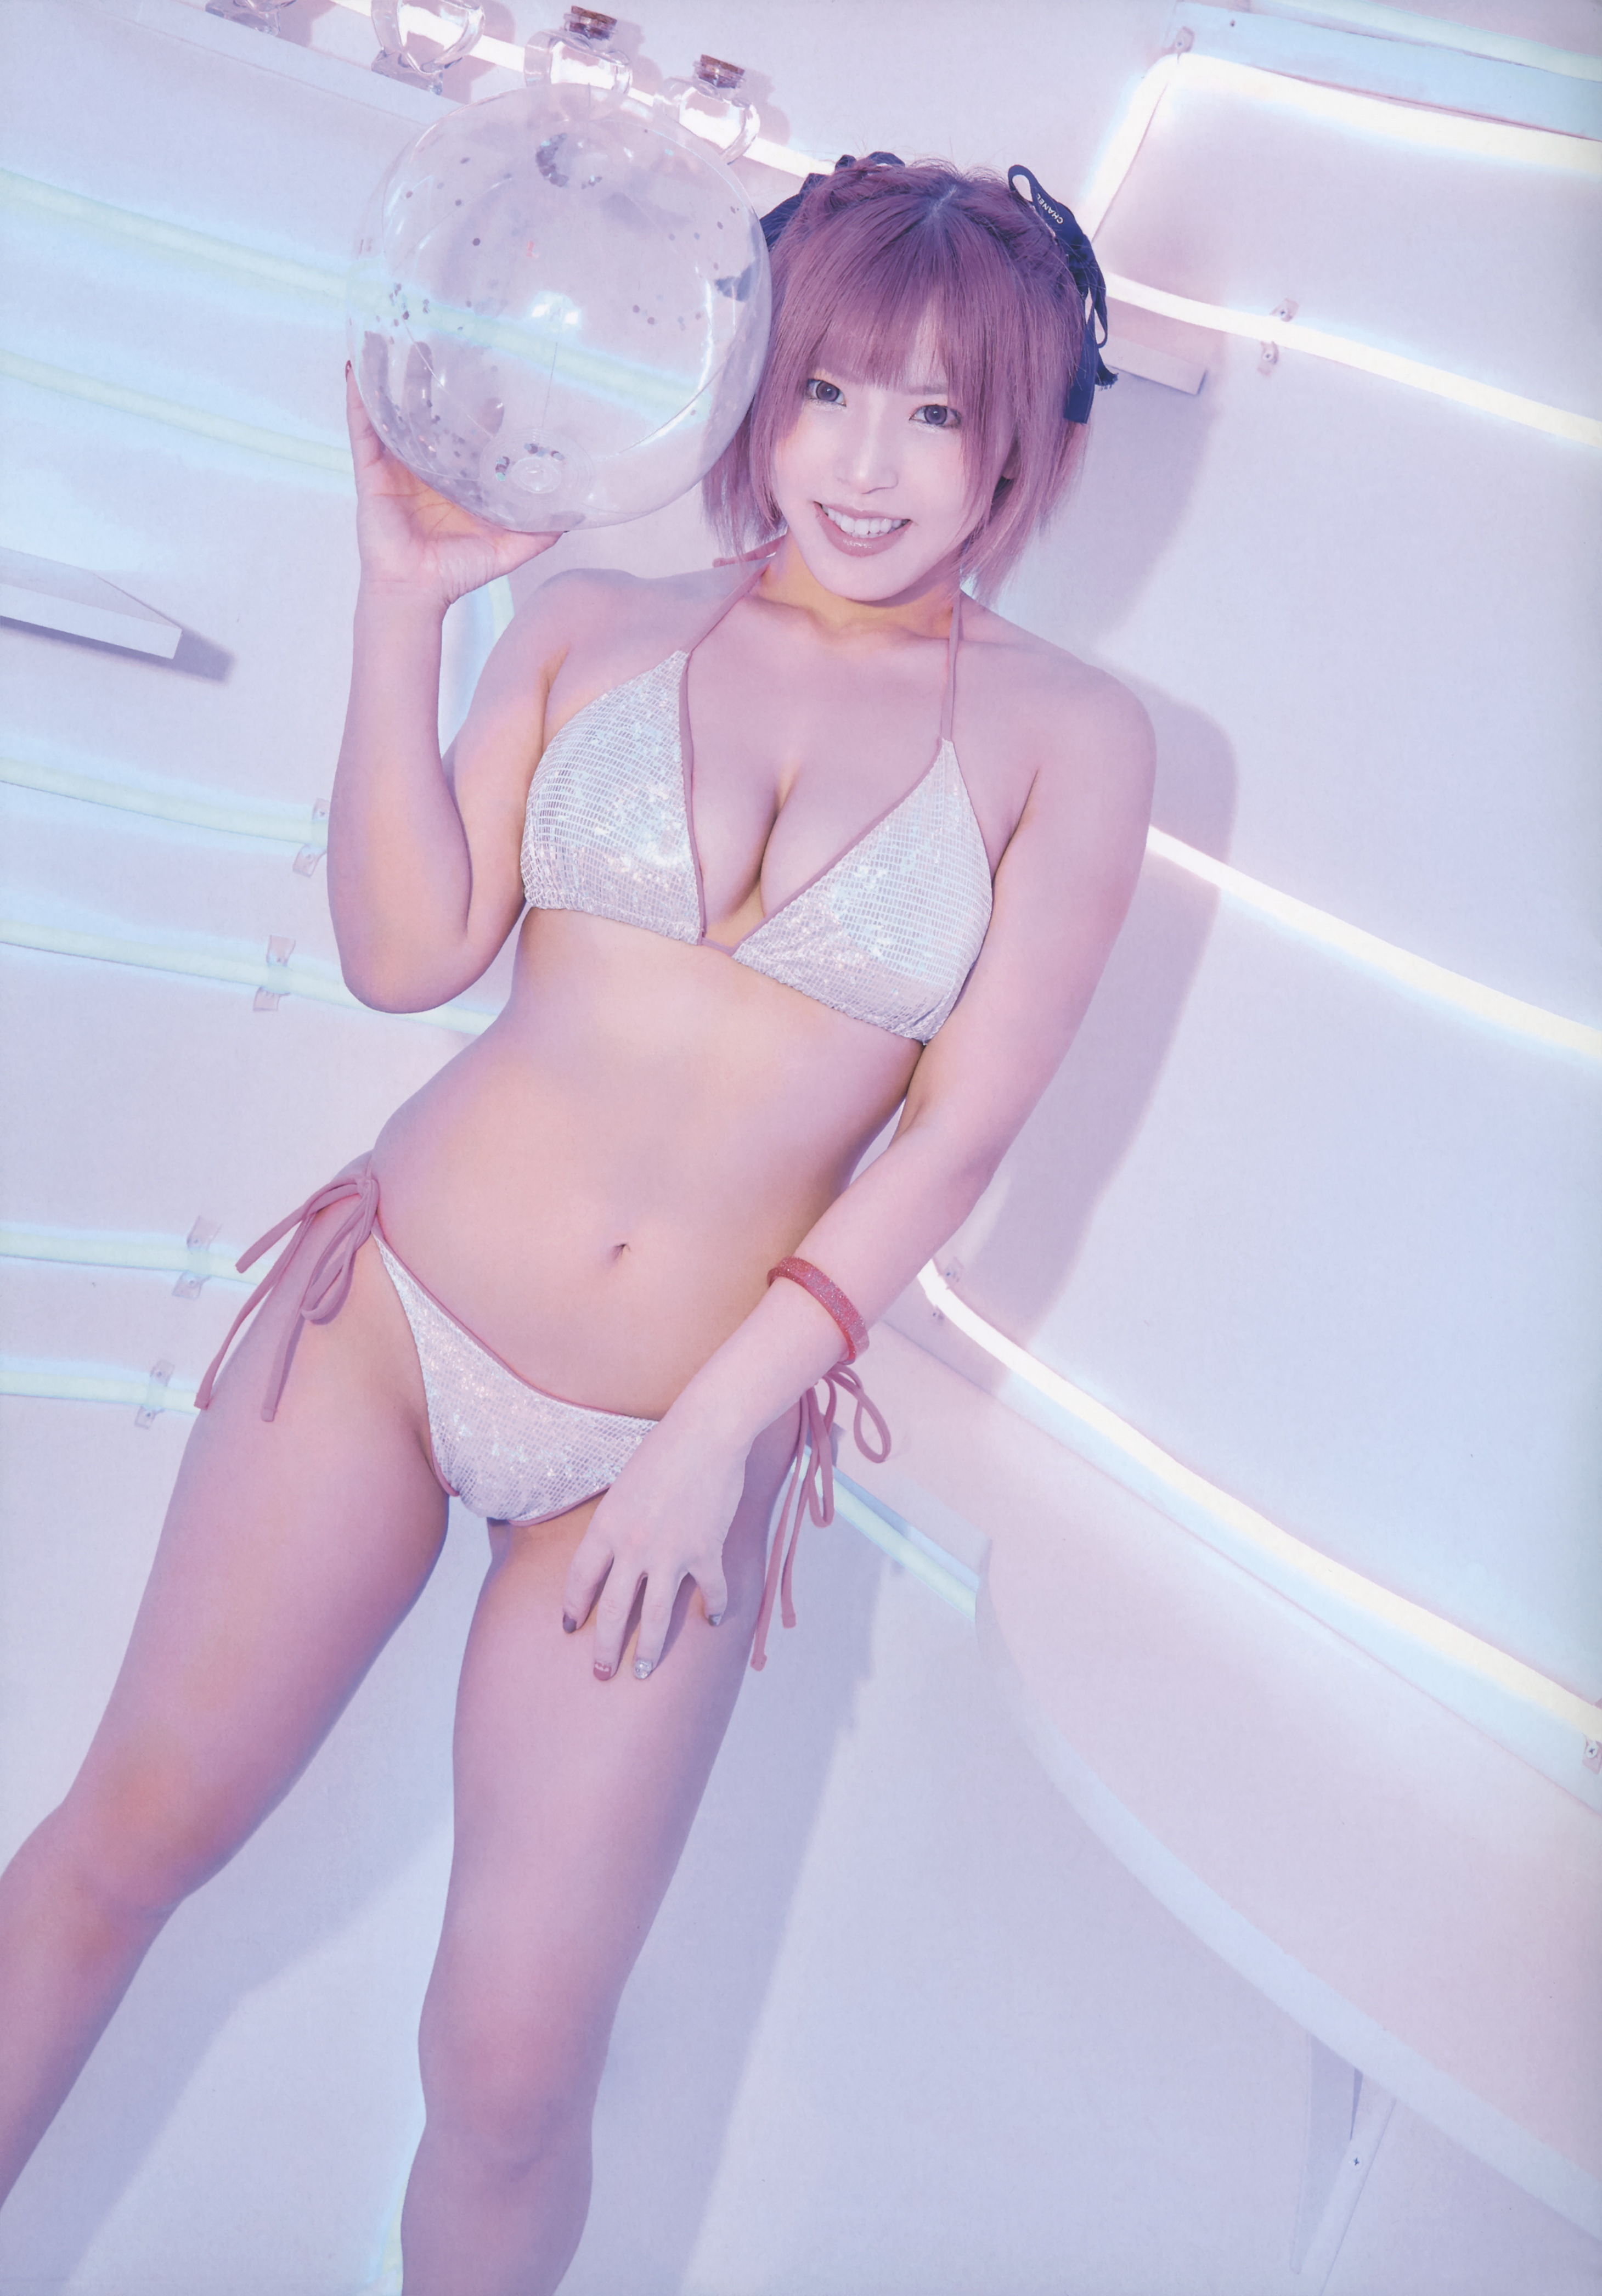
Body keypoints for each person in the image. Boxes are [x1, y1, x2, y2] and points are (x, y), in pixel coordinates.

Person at [0, 156, 1153, 2293]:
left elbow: (950, 1143)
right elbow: (405, 950)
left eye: (934, 414)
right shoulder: (593, 623)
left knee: (515, 2063)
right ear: (756, 386)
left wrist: (711, 1438)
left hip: (670, 1440)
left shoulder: (1071, 741)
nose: (865, 464)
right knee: (118, 1844)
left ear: (1022, 440)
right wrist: (400, 603)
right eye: (827, 392)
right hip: (387, 1316)